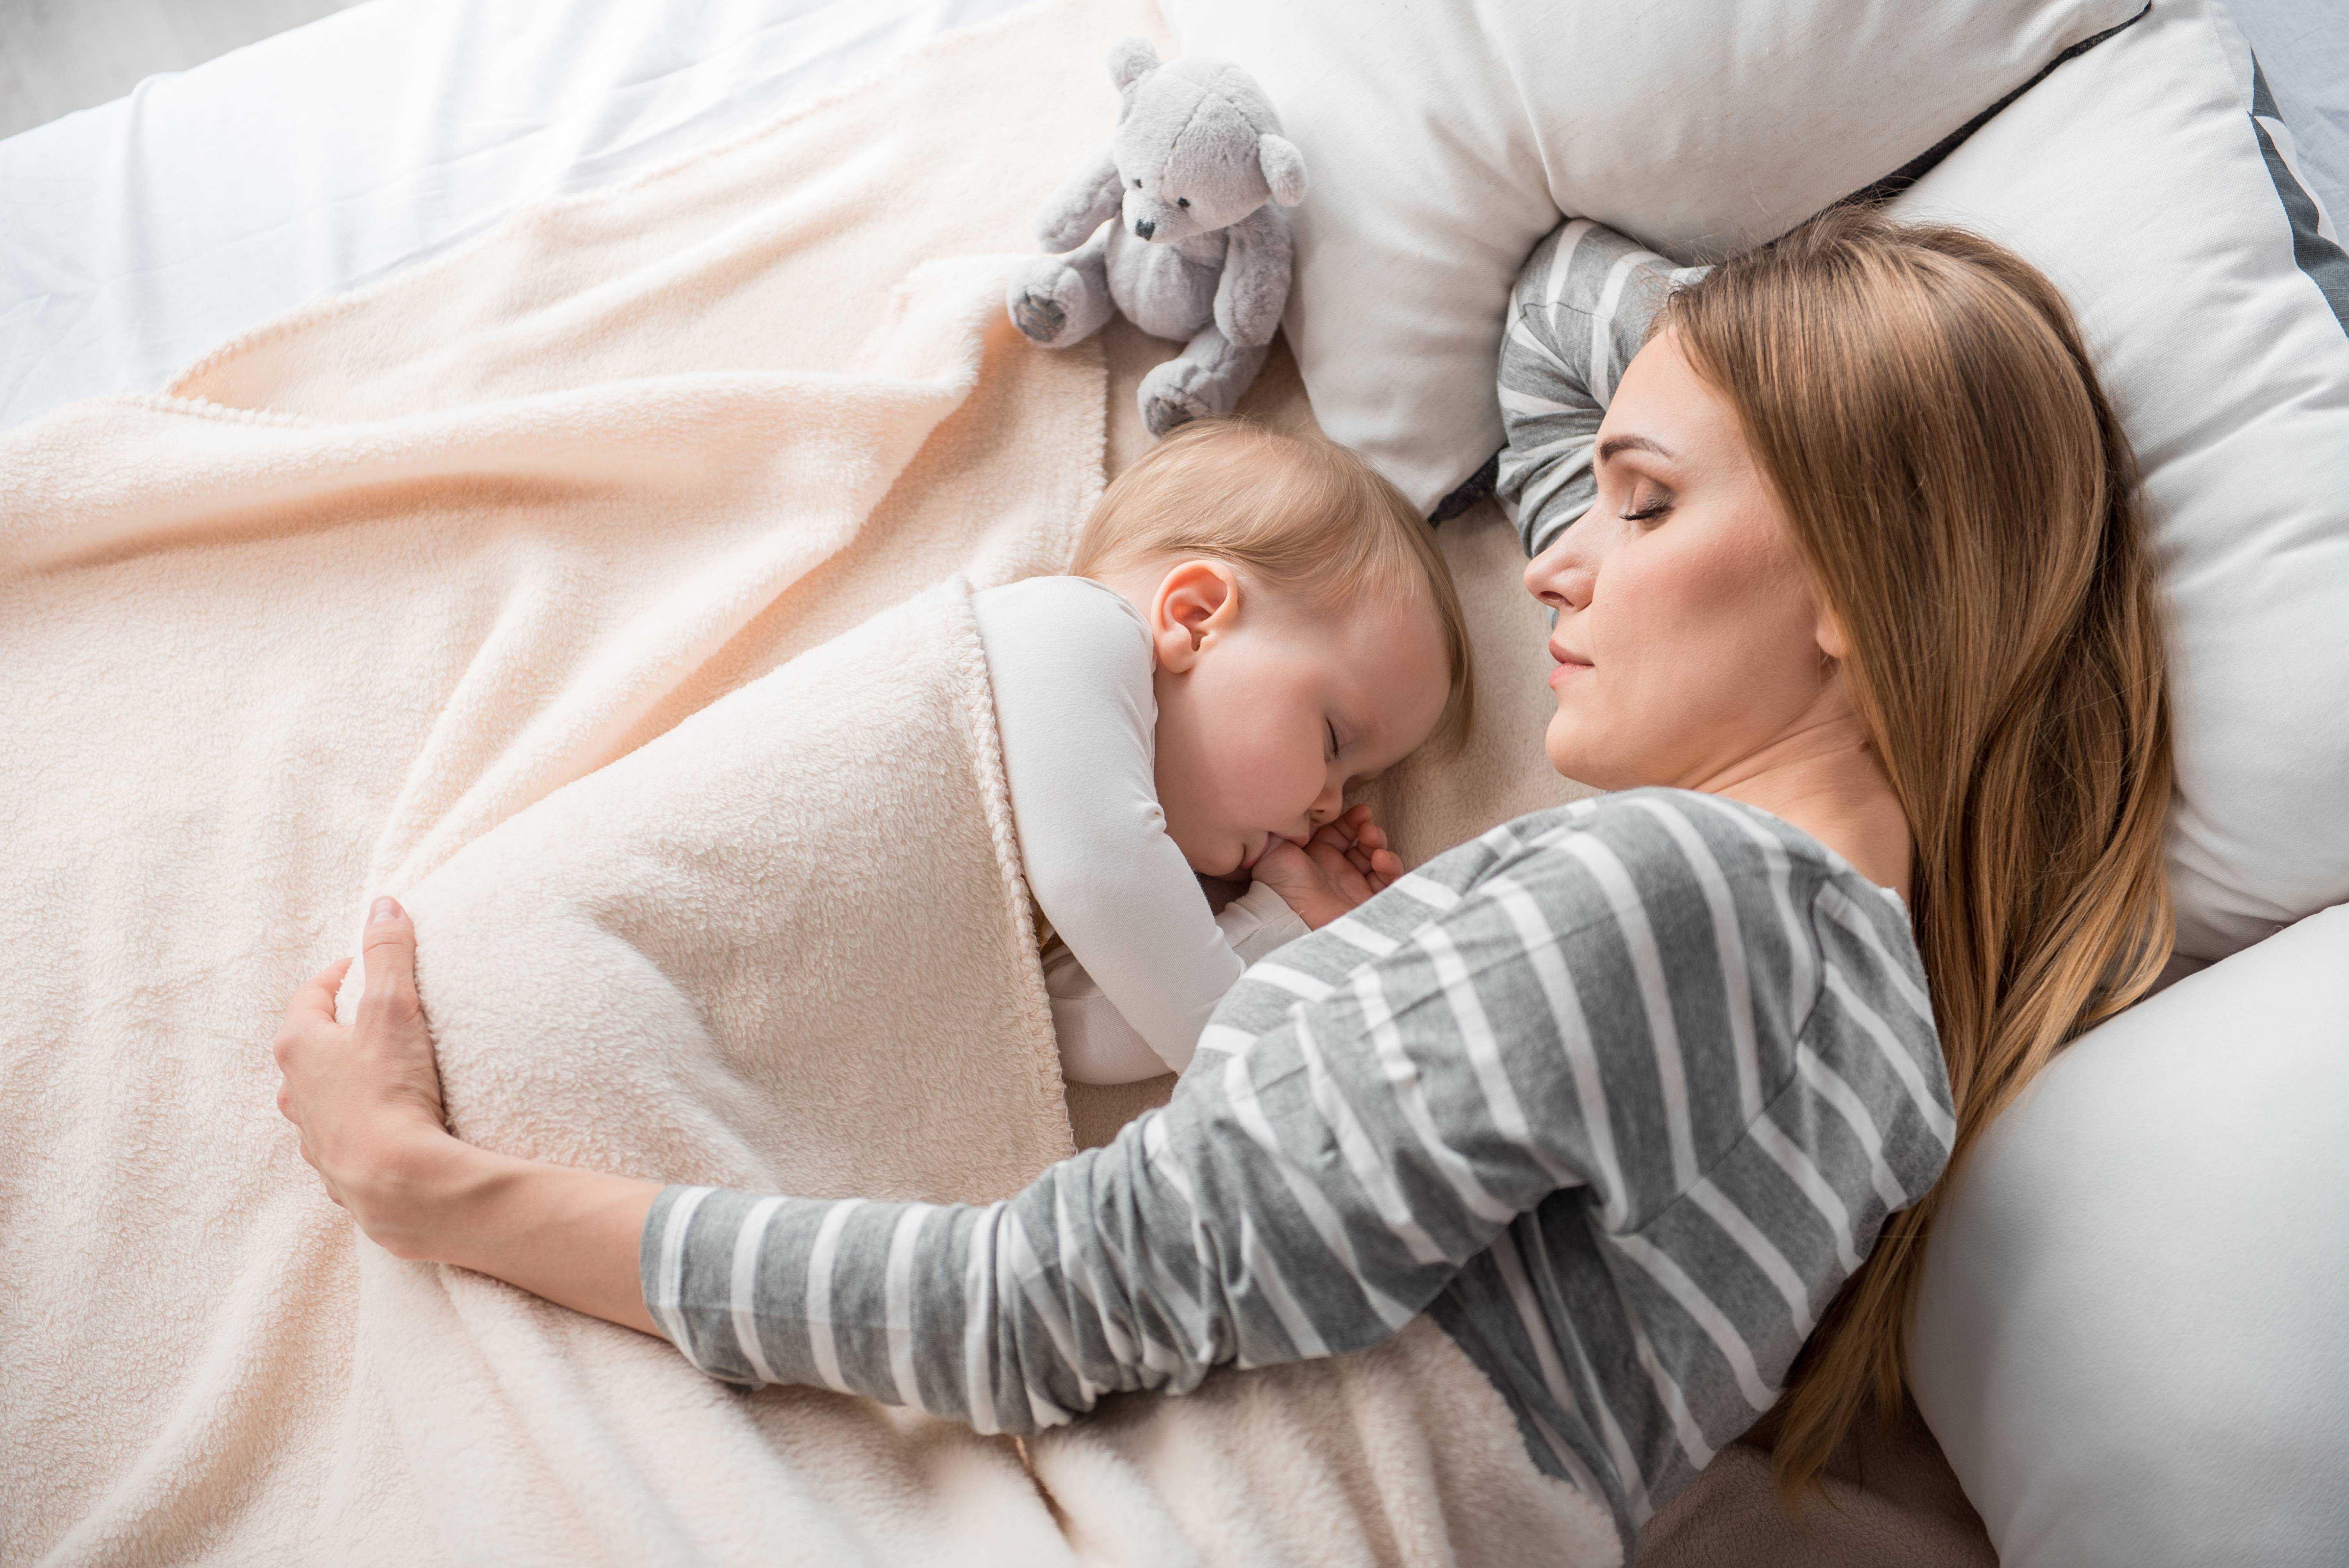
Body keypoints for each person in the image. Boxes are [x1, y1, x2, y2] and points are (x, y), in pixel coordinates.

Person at [272, 205, 2174, 1559]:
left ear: (1857, 582)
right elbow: (1546, 336)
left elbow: (1026, 1311)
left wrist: (439, 1187)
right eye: (1592, 496)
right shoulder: (1885, 1045)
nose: (1553, 563)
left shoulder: (1659, 898)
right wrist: (1785, 368)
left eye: (1646, 504)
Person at [983, 420, 1472, 1083]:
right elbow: (1100, 878)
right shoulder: (1065, 629)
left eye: (1358, 784)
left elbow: (1062, 1033)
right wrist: (1283, 1077)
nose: (1332, 806)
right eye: (1334, 742)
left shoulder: (1095, 903)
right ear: (1195, 618)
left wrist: (1284, 925)